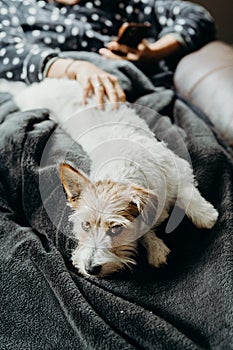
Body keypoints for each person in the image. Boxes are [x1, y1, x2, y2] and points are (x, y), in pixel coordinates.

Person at [0, 0, 216, 107]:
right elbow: (6, 51)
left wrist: (153, 53)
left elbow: (196, 16)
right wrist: (74, 68)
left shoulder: (116, 3)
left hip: (131, 90)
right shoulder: (15, 5)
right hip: (63, 91)